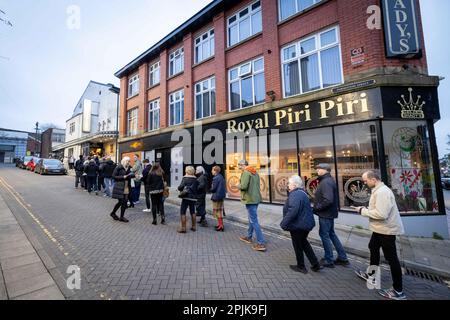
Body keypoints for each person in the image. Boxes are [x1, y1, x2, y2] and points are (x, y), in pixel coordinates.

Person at [354, 171, 406, 300]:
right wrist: (366, 209)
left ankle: (398, 291)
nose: (365, 183)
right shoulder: (378, 190)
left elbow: (382, 214)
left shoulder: (382, 192)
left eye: (366, 181)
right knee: (373, 247)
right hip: (380, 229)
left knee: (391, 258)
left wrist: (362, 211)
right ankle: (371, 276)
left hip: (386, 230)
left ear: (373, 179)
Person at [281, 176, 323, 274]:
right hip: (304, 224)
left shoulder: (295, 194)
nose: (288, 185)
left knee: (297, 245)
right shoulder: (302, 193)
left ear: (294, 185)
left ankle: (301, 266)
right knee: (304, 243)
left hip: (298, 226)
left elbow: (293, 211)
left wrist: (284, 223)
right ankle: (315, 264)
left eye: (289, 183)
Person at [312, 163, 349, 268]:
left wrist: (317, 207)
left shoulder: (326, 182)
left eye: (318, 169)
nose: (317, 171)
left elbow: (328, 200)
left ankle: (329, 259)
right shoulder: (327, 180)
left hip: (325, 214)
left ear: (325, 170)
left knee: (325, 235)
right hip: (328, 213)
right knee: (331, 234)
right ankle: (342, 257)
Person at [237, 160, 266, 252]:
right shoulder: (254, 172)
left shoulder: (246, 172)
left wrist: (238, 185)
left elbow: (244, 186)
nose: (239, 167)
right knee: (251, 219)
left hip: (250, 199)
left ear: (243, 165)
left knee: (254, 221)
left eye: (239, 165)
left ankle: (261, 243)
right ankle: (249, 237)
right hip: (256, 198)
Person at [110, 157, 135, 223]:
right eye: (128, 161)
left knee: (125, 202)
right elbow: (113, 176)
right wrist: (122, 177)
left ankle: (121, 217)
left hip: (127, 186)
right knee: (121, 201)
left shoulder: (129, 167)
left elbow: (131, 175)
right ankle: (113, 213)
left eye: (129, 161)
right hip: (120, 186)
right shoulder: (119, 167)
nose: (129, 163)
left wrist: (135, 175)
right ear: (124, 161)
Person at [177, 166, 198, 233]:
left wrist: (179, 188)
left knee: (183, 212)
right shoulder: (195, 179)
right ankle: (194, 226)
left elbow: (180, 187)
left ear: (187, 171)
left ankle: (183, 228)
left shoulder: (185, 178)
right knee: (193, 211)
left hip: (186, 197)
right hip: (193, 198)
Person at [210, 166, 226, 232]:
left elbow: (213, 189)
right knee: (219, 211)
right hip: (221, 196)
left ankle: (221, 226)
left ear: (215, 171)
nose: (211, 171)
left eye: (212, 170)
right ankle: (220, 224)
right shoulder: (221, 177)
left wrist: (210, 188)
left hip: (216, 196)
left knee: (217, 211)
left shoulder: (215, 178)